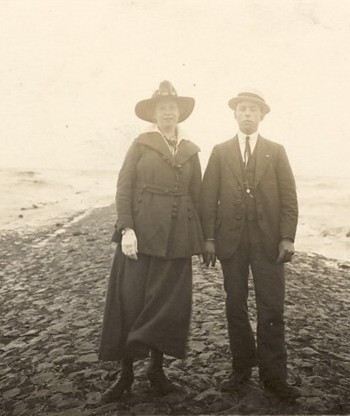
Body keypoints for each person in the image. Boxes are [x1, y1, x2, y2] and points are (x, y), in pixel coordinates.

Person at [98, 81, 204, 402]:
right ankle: (125, 375)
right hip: (141, 237)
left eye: (173, 108)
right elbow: (124, 189)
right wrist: (127, 230)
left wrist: (203, 241)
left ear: (179, 113)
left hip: (178, 239)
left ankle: (156, 371)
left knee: (168, 305)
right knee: (131, 301)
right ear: (154, 114)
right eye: (162, 108)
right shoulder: (140, 145)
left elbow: (198, 196)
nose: (168, 112)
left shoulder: (190, 150)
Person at [200, 90, 300, 401]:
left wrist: (286, 237)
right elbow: (207, 199)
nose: (247, 114)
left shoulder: (276, 151)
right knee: (235, 304)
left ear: (262, 116)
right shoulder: (220, 151)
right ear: (235, 114)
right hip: (231, 242)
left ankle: (274, 376)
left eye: (253, 110)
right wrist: (209, 239)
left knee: (272, 307)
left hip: (269, 243)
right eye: (242, 109)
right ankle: (241, 369)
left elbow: (289, 199)